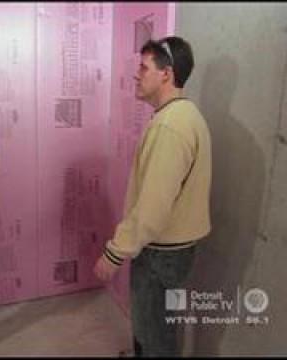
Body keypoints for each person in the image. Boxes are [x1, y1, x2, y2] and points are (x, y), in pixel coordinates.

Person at [94, 36, 212, 357]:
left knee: (154, 332)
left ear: (167, 73)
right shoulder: (184, 116)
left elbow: (152, 206)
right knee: (159, 326)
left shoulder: (170, 126)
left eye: (144, 67)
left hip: (161, 253)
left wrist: (116, 252)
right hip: (175, 250)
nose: (137, 74)